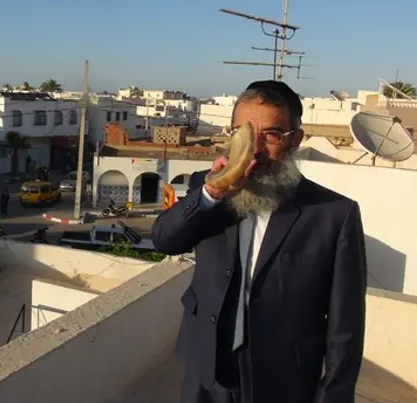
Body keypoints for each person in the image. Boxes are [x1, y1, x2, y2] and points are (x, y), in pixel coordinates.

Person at [151, 80, 367, 403]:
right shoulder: (207, 188)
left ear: (296, 140)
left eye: (271, 135)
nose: (255, 148)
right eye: (244, 132)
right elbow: (164, 239)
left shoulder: (333, 215)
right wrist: (214, 193)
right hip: (206, 367)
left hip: (281, 379)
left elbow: (345, 328)